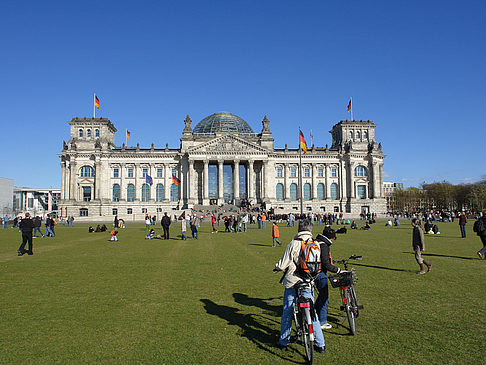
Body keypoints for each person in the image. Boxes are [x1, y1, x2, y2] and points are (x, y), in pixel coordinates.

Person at [273, 219, 325, 353]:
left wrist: (277, 267)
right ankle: (320, 344)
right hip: (308, 281)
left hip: (292, 282)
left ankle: (284, 341)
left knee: (288, 311)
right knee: (312, 312)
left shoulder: (293, 243)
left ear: (298, 229)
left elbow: (283, 263)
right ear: (310, 230)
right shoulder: (316, 244)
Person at [315, 228, 343, 329]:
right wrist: (338, 270)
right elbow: (326, 264)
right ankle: (322, 321)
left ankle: (314, 313)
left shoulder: (316, 241)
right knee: (324, 297)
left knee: (320, 296)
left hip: (313, 272)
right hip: (320, 273)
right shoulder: (324, 245)